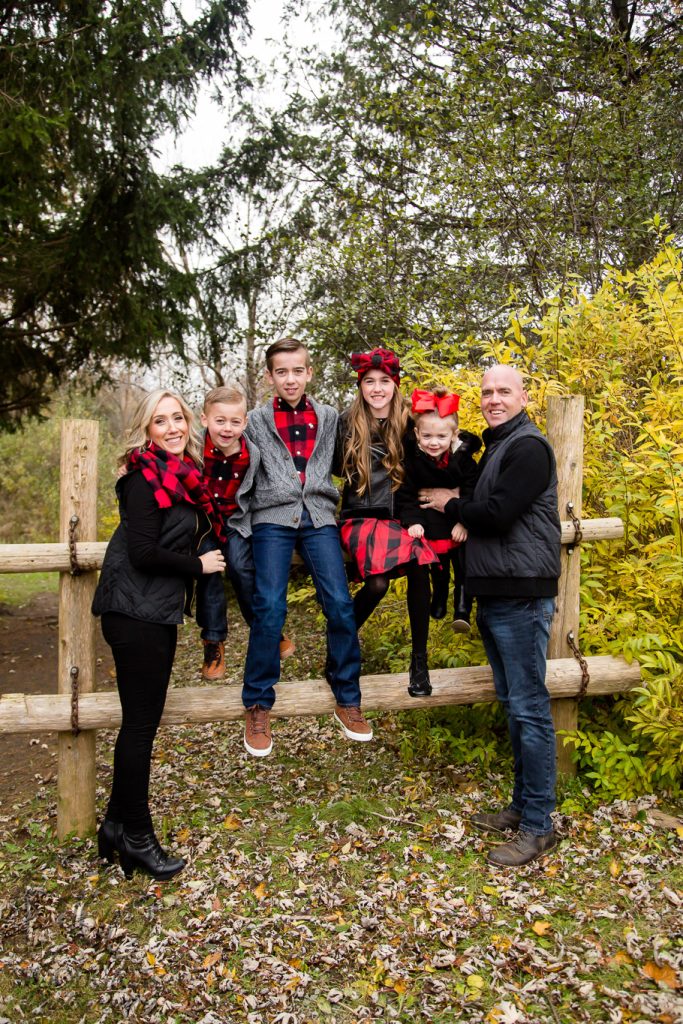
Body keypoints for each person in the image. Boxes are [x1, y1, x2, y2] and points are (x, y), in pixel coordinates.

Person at [419, 365, 561, 867]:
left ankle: (540, 825)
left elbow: (498, 514)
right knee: (514, 704)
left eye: (504, 391)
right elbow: (482, 501)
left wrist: (450, 503)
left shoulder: (529, 448)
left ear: (524, 396)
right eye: (486, 392)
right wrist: (459, 498)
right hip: (497, 591)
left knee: (529, 708)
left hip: (522, 593)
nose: (494, 399)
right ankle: (522, 806)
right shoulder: (498, 446)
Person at [92, 389, 226, 880]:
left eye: (178, 418)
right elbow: (144, 552)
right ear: (146, 430)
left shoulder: (181, 475)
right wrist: (199, 565)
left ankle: (114, 826)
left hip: (150, 610)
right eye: (160, 421)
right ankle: (138, 838)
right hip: (135, 614)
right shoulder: (143, 479)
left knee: (139, 723)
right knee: (140, 727)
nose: (172, 428)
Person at [241, 337, 372, 757]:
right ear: (269, 376)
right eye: (282, 372)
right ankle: (258, 703)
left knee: (340, 603)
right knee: (269, 606)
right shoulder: (255, 420)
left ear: (309, 372)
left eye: (298, 370)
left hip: (318, 516)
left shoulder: (329, 416)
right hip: (272, 517)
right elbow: (235, 462)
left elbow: (350, 461)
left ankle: (347, 696)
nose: (291, 379)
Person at [336, 349, 440, 697]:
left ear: (395, 384)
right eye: (369, 381)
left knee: (420, 563)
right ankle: (340, 641)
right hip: (360, 516)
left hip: (399, 517)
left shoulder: (411, 422)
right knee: (377, 584)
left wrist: (452, 490)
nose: (377, 388)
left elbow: (441, 448)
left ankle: (419, 662)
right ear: (360, 386)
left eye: (384, 381)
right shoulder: (346, 423)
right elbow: (329, 467)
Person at [195, 386, 295, 680]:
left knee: (241, 566)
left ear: (245, 422)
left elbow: (274, 483)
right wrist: (129, 463)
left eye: (234, 421)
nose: (227, 428)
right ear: (204, 419)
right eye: (220, 421)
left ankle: (268, 631)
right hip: (201, 525)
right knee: (209, 570)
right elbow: (157, 455)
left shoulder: (252, 453)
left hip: (235, 522)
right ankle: (213, 641)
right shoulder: (193, 447)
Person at [398, 387, 481, 635]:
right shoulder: (413, 461)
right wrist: (413, 521)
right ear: (417, 434)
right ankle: (439, 599)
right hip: (431, 524)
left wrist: (464, 522)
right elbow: (405, 494)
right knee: (439, 568)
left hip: (458, 523)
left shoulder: (463, 460)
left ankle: (462, 609)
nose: (434, 442)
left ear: (454, 435)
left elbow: (473, 490)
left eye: (441, 437)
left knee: (463, 569)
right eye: (427, 436)